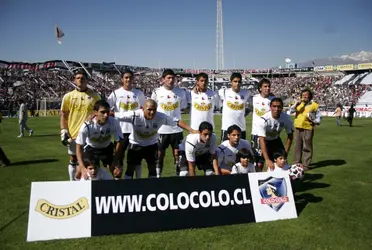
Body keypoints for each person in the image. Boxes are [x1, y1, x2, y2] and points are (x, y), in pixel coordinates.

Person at [115, 99, 196, 179]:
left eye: (154, 110)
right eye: (149, 109)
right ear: (142, 109)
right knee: (130, 169)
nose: (152, 112)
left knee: (152, 170)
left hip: (151, 145)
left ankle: (152, 190)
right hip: (135, 145)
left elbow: (177, 122)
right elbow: (115, 115)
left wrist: (191, 130)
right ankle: (128, 190)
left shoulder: (161, 117)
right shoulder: (134, 115)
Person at [60, 70, 101, 181]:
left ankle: (89, 184)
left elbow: (100, 112)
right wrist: (63, 131)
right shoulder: (68, 96)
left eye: (83, 78)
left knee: (89, 160)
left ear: (87, 80)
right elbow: (64, 115)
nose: (80, 80)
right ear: (74, 80)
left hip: (89, 135)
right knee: (73, 158)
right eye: (78, 78)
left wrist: (93, 115)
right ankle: (72, 182)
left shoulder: (95, 96)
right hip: (73, 134)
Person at [107, 69, 146, 178]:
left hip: (135, 131)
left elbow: (144, 109)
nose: (128, 79)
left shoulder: (139, 93)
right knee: (119, 157)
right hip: (120, 130)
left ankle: (137, 181)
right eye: (126, 77)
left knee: (136, 158)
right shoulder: (115, 93)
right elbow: (106, 108)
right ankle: (118, 180)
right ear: (122, 79)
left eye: (130, 77)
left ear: (133, 79)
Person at [151, 69, 188, 177]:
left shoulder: (181, 92)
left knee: (177, 155)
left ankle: (178, 174)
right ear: (163, 79)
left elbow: (184, 108)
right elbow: (152, 108)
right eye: (168, 78)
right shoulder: (156, 92)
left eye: (173, 78)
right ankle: (158, 176)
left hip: (176, 128)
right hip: (161, 129)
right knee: (160, 154)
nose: (171, 80)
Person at [75, 100, 124, 180]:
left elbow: (120, 141)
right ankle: (75, 188)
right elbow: (79, 146)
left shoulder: (114, 122)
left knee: (117, 172)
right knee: (78, 172)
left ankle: (118, 191)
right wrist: (82, 166)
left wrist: (115, 160)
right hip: (91, 149)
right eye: (102, 112)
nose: (106, 115)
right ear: (95, 112)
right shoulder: (87, 126)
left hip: (106, 148)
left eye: (108, 112)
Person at [256, 98, 294, 171]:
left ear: (282, 108)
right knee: (260, 164)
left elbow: (290, 136)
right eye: (274, 106)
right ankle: (258, 179)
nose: (276, 109)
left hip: (276, 140)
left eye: (279, 107)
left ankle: (282, 179)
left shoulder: (286, 118)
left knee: (282, 162)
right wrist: (267, 159)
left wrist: (285, 153)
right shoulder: (263, 120)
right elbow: (262, 139)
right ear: (270, 107)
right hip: (264, 141)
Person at [290, 89, 321, 171]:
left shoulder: (315, 105)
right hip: (297, 127)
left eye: (306, 95)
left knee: (307, 146)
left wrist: (312, 119)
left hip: (308, 127)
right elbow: (290, 111)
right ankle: (296, 163)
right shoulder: (299, 104)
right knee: (297, 146)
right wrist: (296, 103)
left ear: (310, 96)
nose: (304, 96)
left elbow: (318, 119)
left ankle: (306, 165)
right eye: (303, 95)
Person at [249, 78, 275, 171]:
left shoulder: (273, 100)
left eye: (269, 86)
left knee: (270, 161)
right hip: (256, 134)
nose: (267, 88)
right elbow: (247, 109)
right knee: (257, 162)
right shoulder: (254, 98)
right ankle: (256, 180)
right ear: (260, 88)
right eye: (265, 86)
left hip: (269, 135)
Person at [218, 72, 251, 142]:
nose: (237, 83)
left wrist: (245, 112)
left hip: (241, 129)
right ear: (231, 82)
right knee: (225, 152)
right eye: (235, 81)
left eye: (239, 81)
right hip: (227, 129)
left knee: (241, 152)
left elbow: (252, 105)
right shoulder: (223, 92)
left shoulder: (246, 93)